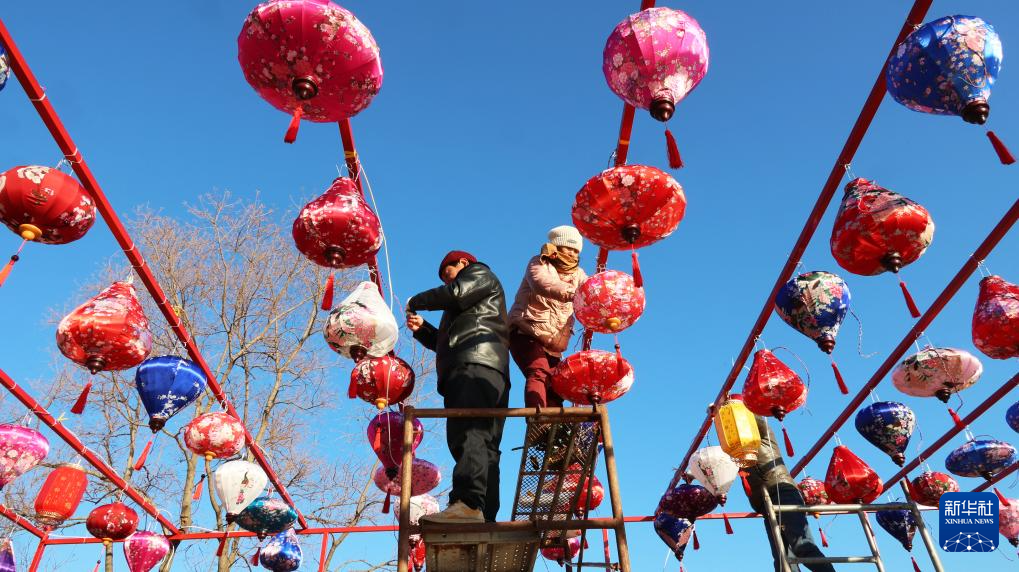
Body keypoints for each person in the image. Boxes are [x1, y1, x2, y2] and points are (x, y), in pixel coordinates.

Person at [405, 250, 510, 524]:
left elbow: (456, 293)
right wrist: (424, 330)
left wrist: (416, 301)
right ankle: (484, 514)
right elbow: (450, 341)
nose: (447, 281)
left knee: (468, 433)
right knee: (486, 445)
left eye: (448, 273)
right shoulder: (471, 306)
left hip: (472, 366)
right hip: (487, 368)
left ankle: (467, 503)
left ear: (463, 263)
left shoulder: (478, 273)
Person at [507, 225, 588, 408]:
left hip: (553, 342)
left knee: (556, 384)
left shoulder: (578, 274)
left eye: (576, 251)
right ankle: (537, 418)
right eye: (568, 248)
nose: (573, 254)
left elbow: (590, 289)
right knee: (539, 371)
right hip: (526, 329)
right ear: (557, 246)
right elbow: (541, 283)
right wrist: (575, 294)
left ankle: (555, 424)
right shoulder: (540, 262)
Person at [745, 414, 836, 572]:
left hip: (782, 490)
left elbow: (756, 418)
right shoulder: (739, 450)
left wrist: (734, 407)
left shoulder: (763, 435)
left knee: (802, 546)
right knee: (782, 559)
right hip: (766, 503)